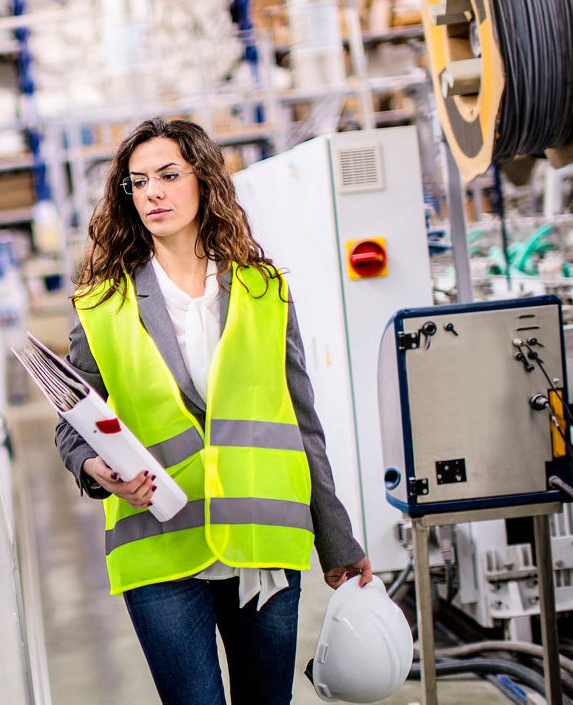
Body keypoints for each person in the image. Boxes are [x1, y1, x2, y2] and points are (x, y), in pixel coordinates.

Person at [54, 119, 372, 705]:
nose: (153, 192)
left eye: (169, 176)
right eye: (138, 182)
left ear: (204, 181)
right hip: (160, 543)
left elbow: (302, 422)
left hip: (262, 539)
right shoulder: (101, 305)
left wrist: (336, 538)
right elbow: (70, 421)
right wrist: (95, 471)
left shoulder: (264, 290)